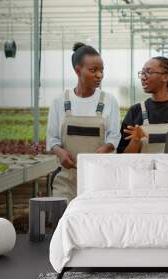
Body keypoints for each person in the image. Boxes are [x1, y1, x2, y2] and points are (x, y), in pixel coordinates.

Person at [46, 42, 121, 201]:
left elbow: (114, 136)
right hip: (67, 177)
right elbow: (52, 139)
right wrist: (61, 153)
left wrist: (105, 149)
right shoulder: (60, 101)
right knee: (65, 217)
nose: (99, 75)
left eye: (102, 70)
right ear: (77, 70)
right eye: (93, 70)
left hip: (99, 177)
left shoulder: (109, 101)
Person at [117, 56, 168, 153]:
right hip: (144, 168)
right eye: (142, 73)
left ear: (165, 77)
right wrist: (135, 141)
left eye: (148, 72)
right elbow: (123, 157)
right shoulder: (135, 111)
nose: (143, 77)